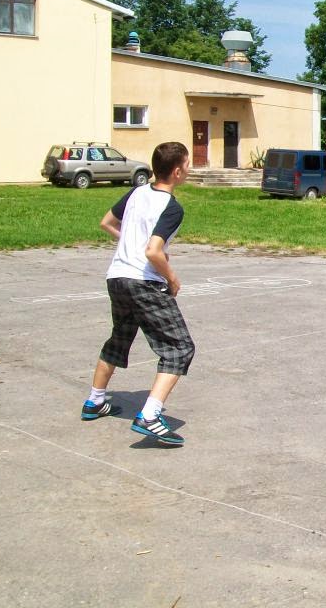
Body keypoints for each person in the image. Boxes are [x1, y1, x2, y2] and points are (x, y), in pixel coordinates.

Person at [81, 141, 195, 446]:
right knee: (179, 348)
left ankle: (95, 401)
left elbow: (107, 222)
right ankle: (150, 415)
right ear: (177, 171)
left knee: (119, 337)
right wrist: (171, 278)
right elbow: (153, 251)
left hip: (117, 277)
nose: (189, 168)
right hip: (143, 282)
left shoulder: (137, 191)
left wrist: (128, 245)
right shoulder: (172, 207)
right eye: (187, 163)